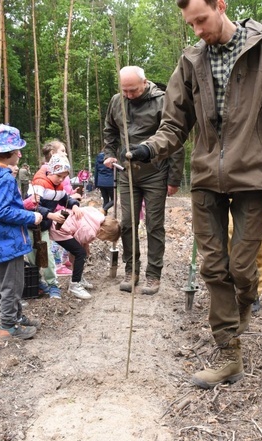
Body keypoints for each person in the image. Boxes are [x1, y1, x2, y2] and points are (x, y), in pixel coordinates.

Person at [126, 0, 262, 388]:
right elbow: (173, 124)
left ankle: (244, 306)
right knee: (213, 267)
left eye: (201, 20)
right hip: (206, 177)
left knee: (242, 268)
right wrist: (148, 149)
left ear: (221, 5)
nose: (197, 30)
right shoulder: (191, 61)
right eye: (191, 24)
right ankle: (229, 352)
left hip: (254, 178)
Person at [103, 65, 184, 296]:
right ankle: (132, 270)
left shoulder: (162, 101)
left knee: (154, 225)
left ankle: (153, 274)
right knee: (127, 223)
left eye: (133, 91)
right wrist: (109, 153)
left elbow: (175, 140)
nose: (129, 95)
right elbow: (110, 130)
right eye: (125, 90)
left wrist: (174, 178)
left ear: (145, 82)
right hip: (126, 172)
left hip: (155, 173)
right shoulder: (116, 101)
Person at [0, 124, 43, 340]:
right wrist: (31, 216)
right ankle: (7, 327)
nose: (20, 154)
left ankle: (17, 317)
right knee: (12, 286)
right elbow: (2, 211)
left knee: (13, 283)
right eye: (17, 150)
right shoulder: (3, 178)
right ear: (6, 153)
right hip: (7, 241)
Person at [25, 153, 83, 299]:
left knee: (48, 257)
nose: (61, 179)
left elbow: (66, 199)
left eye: (64, 177)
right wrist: (50, 215)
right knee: (33, 258)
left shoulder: (59, 186)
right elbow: (32, 205)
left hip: (43, 227)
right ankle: (37, 282)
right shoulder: (39, 184)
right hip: (31, 226)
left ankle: (52, 285)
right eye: (59, 176)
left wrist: (74, 205)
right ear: (51, 171)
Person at [50, 206, 121, 299]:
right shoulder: (91, 232)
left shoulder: (97, 216)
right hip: (59, 228)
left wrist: (85, 248)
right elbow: (76, 249)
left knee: (82, 253)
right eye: (106, 238)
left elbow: (81, 238)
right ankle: (75, 284)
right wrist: (77, 259)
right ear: (103, 231)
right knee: (81, 254)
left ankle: (78, 277)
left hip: (61, 219)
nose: (104, 240)